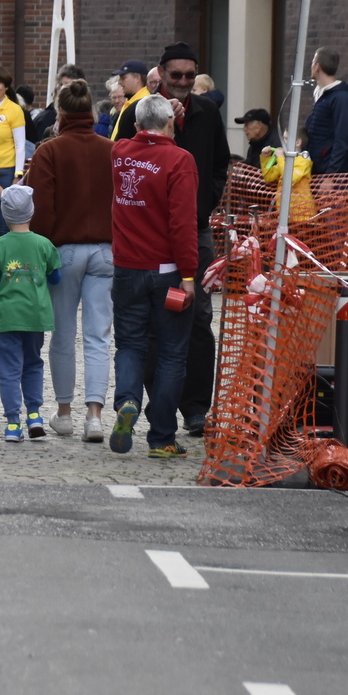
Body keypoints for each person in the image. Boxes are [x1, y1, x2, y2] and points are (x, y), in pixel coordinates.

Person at [145, 42, 231, 435]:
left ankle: (196, 407)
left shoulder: (209, 113)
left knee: (197, 318)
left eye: (188, 76)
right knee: (150, 318)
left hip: (196, 231)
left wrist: (205, 203)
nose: (182, 82)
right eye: (175, 74)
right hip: (150, 233)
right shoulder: (142, 111)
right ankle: (159, 402)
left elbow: (219, 164)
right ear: (160, 73)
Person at [107, 94, 199, 459]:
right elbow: (182, 225)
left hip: (127, 267)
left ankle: (126, 401)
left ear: (135, 125)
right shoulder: (180, 160)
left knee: (130, 345)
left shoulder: (119, 154)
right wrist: (189, 275)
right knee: (172, 356)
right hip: (168, 271)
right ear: (171, 123)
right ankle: (162, 438)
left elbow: (127, 132)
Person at [29, 77, 114, 443]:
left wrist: (42, 250)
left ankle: (64, 411)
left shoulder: (49, 151)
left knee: (62, 334)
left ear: (60, 112)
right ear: (91, 111)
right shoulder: (112, 149)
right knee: (98, 336)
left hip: (63, 250)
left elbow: (43, 210)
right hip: (106, 250)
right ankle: (94, 415)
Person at [0, 185, 62, 442]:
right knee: (33, 364)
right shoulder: (44, 244)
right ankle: (35, 415)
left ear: (5, 214)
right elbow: (56, 277)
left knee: (9, 369)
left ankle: (13, 423)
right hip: (35, 316)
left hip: (8, 316)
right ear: (31, 212)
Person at [305, 47, 348, 174]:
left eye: (313, 62)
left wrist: (331, 174)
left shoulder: (341, 98)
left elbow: (342, 138)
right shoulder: (321, 95)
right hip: (320, 170)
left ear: (317, 67)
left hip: (332, 174)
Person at [108, 60, 150, 140]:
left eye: (123, 78)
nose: (119, 82)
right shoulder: (131, 102)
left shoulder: (144, 105)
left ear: (137, 78)